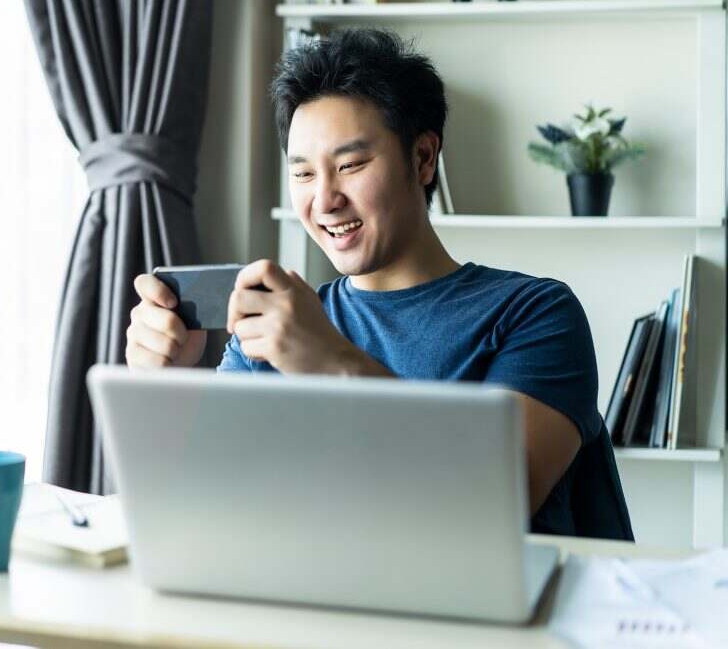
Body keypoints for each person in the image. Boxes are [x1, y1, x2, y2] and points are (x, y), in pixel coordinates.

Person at [124, 28, 633, 540]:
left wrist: (331, 365)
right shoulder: (272, 327)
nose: (324, 201)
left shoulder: (534, 313)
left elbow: (496, 501)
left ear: (423, 158)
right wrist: (166, 389)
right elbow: (201, 508)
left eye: (350, 165)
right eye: (303, 175)